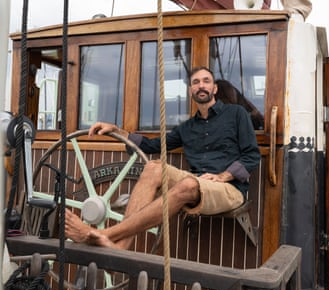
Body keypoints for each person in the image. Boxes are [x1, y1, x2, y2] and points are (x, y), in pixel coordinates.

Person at [65, 66, 261, 250]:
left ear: (215, 88)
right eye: (196, 82)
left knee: (188, 184)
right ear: (190, 90)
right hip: (199, 184)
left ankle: (102, 233)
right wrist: (118, 131)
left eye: (206, 81)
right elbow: (152, 146)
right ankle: (121, 246)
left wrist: (222, 176)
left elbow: (252, 155)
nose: (201, 85)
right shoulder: (187, 128)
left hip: (230, 190)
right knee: (153, 168)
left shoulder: (237, 114)